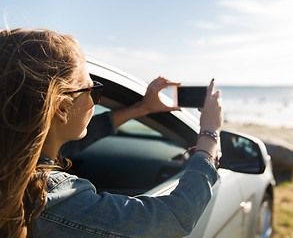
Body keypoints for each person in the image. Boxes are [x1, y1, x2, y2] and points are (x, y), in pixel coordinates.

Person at [0, 28, 223, 238]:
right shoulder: (48, 196)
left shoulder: (12, 162)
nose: (94, 102)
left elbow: (61, 142)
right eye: (93, 90)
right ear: (61, 108)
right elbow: (173, 218)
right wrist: (209, 136)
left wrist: (141, 108)